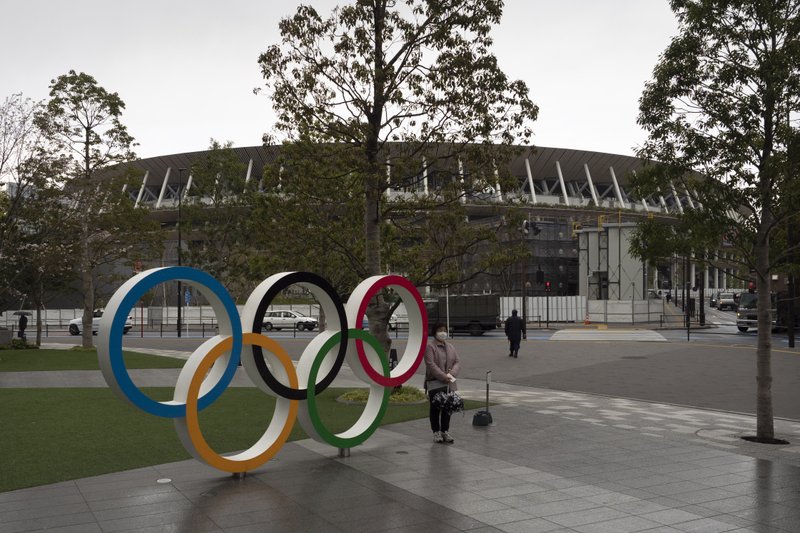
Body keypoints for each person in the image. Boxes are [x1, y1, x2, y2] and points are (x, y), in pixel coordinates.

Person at [424, 323, 461, 444]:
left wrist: (451, 375)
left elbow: (457, 362)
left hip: (449, 382)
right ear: (435, 332)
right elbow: (431, 364)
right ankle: (436, 432)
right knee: (435, 408)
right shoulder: (430, 347)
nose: (443, 332)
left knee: (447, 407)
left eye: (445, 330)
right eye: (440, 330)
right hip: (435, 382)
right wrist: (443, 376)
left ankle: (445, 431)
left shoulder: (450, 346)